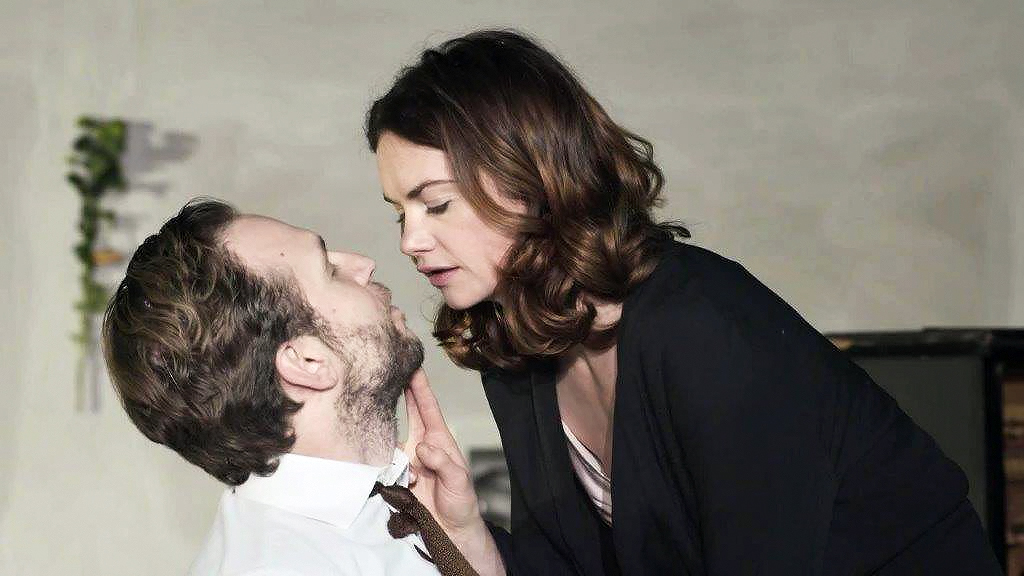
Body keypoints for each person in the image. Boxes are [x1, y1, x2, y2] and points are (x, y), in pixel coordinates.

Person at [365, 30, 1003, 574]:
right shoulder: (516, 346)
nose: (410, 241)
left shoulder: (703, 328)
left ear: (530, 178)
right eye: (400, 213)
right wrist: (466, 532)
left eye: (436, 204)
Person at [101, 199, 500, 576]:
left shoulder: (395, 508)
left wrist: (466, 546)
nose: (364, 265)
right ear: (307, 362)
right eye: (329, 269)